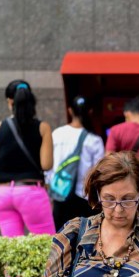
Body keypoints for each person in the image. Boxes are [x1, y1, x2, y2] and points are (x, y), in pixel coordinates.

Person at [0, 79, 56, 237]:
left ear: (10, 101)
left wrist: (5, 166)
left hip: (2, 194)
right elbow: (46, 164)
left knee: (12, 249)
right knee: (46, 245)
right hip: (31, 193)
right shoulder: (43, 127)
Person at [47, 96, 104, 230]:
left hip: (60, 193)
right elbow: (99, 171)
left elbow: (49, 167)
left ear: (70, 111)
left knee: (61, 237)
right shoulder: (94, 139)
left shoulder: (57, 134)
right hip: (83, 196)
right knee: (83, 236)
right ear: (90, 112)